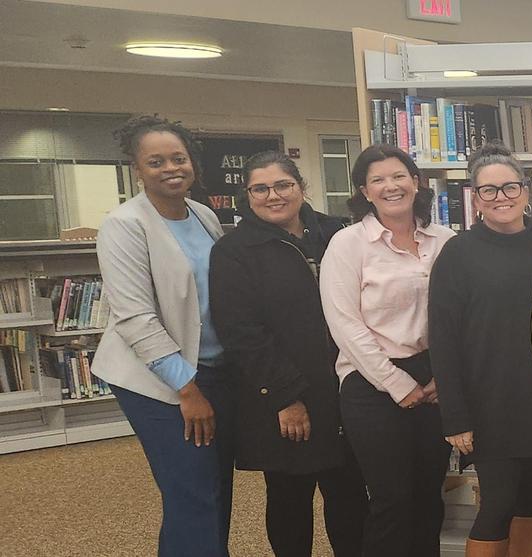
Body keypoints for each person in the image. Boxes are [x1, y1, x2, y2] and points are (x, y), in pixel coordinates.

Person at [207, 151, 367, 557]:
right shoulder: (234, 250)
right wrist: (286, 397)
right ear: (247, 195)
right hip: (284, 396)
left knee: (350, 497)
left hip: (345, 388)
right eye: (260, 188)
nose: (273, 196)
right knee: (290, 499)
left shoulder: (338, 233)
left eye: (283, 185)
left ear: (300, 187)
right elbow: (241, 332)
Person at [94, 115, 233, 557]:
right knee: (191, 490)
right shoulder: (124, 225)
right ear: (137, 169)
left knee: (214, 488)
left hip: (210, 368)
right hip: (158, 382)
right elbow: (135, 318)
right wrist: (187, 389)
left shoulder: (203, 214)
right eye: (156, 161)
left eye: (179, 158)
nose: (171, 168)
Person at [320, 144, 456, 557]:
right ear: (364, 191)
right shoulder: (348, 244)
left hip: (434, 377)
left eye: (398, 176)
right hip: (370, 383)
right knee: (391, 500)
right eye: (377, 179)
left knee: (429, 497)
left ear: (416, 181)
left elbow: (458, 317)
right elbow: (344, 324)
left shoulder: (445, 240)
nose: (390, 186)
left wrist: (442, 378)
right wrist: (396, 382)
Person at [431, 143, 532, 557]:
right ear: (475, 198)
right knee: (498, 503)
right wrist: (455, 415)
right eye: (489, 190)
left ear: (525, 191)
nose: (501, 197)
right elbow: (444, 338)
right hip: (487, 405)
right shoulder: (457, 253)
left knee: (530, 499)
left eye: (509, 187)